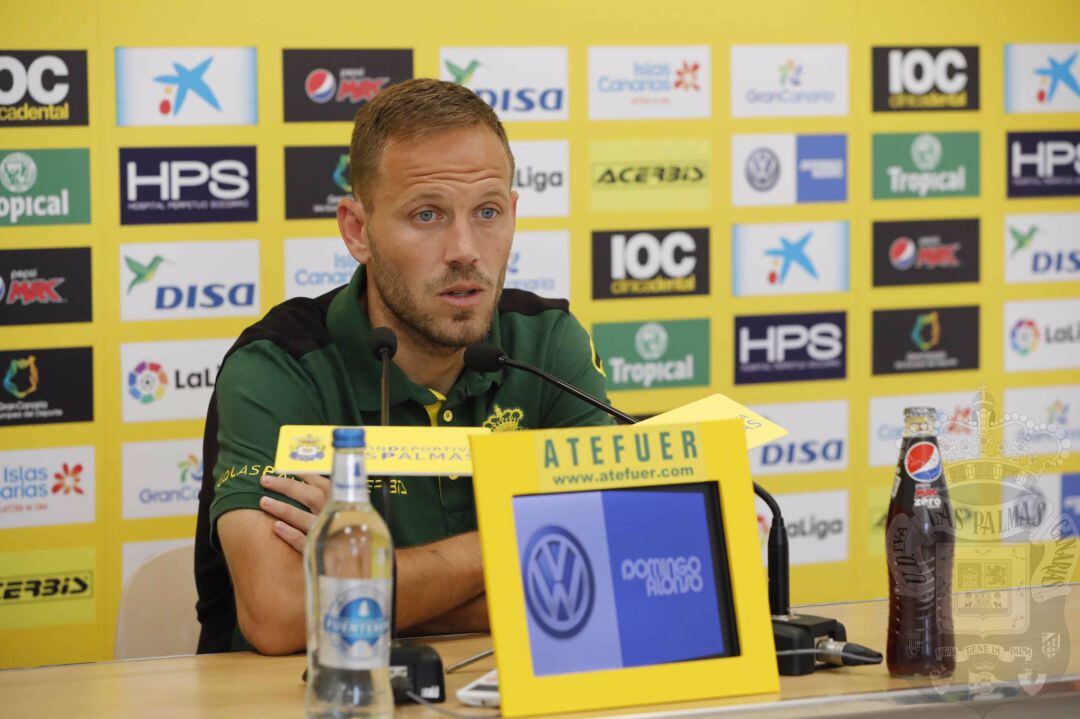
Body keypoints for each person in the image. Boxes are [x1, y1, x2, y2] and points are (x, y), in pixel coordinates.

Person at [194, 78, 613, 655]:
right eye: (427, 215)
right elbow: (282, 611)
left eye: (487, 211)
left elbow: (608, 567)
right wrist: (528, 532)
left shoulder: (548, 345)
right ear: (357, 230)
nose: (465, 249)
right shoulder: (279, 366)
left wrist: (360, 576)